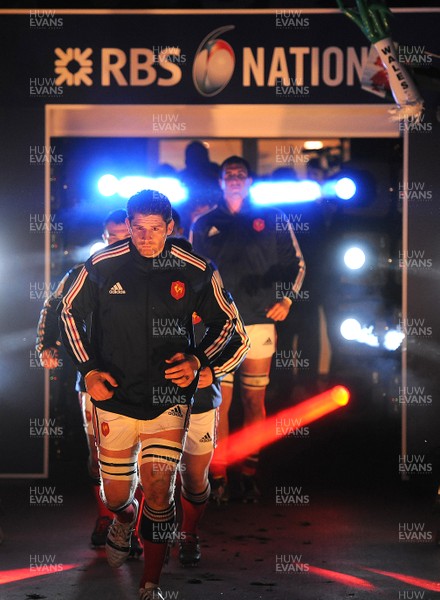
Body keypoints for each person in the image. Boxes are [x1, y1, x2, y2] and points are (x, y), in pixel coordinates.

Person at [59, 190, 239, 600]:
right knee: (116, 494)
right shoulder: (102, 265)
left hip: (167, 400)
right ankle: (124, 516)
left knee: (160, 487)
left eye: (155, 229)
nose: (145, 237)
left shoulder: (195, 270)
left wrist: (198, 362)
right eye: (137, 228)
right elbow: (66, 312)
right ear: (128, 225)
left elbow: (230, 326)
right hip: (116, 398)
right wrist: (87, 370)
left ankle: (151, 584)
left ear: (170, 228)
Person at [190, 156, 306, 503]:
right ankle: (220, 476)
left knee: (254, 399)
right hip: (220, 325)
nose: (236, 179)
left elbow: (296, 264)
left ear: (250, 180)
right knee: (219, 403)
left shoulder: (273, 217)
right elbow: (193, 271)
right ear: (222, 182)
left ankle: (250, 474)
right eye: (230, 174)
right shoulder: (204, 222)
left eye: (241, 174)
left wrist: (286, 299)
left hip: (259, 319)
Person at [36, 209, 144, 551]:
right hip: (93, 379)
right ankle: (108, 515)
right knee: (99, 452)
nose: (116, 243)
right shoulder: (83, 272)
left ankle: (135, 526)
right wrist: (47, 344)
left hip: (142, 378)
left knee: (140, 456)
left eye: (122, 236)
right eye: (110, 237)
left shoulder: (154, 273)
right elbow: (53, 307)